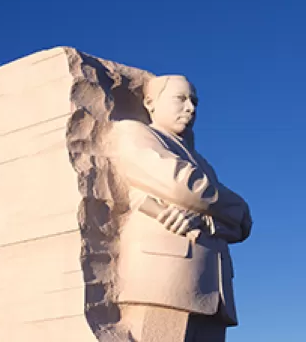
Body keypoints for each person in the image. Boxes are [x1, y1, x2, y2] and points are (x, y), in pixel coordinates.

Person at [108, 75, 252, 342]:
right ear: (150, 103)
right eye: (181, 98)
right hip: (165, 280)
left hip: (213, 290)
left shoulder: (202, 163)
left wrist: (210, 219)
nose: (191, 108)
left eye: (194, 101)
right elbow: (182, 185)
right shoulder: (135, 132)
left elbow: (243, 224)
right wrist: (235, 205)